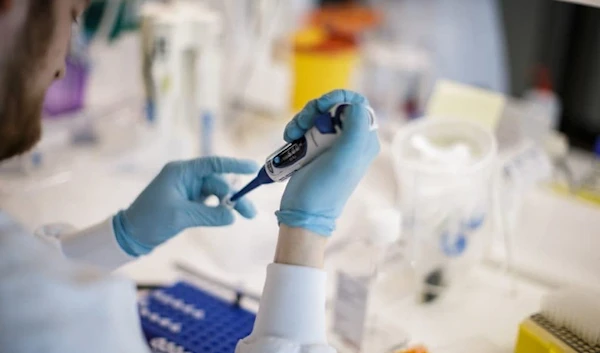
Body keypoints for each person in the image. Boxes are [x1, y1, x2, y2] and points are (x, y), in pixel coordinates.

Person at [0, 1, 380, 353]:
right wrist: (306, 233)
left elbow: (29, 267)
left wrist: (120, 237)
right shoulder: (71, 324)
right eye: (72, 16)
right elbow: (41, 293)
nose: (64, 65)